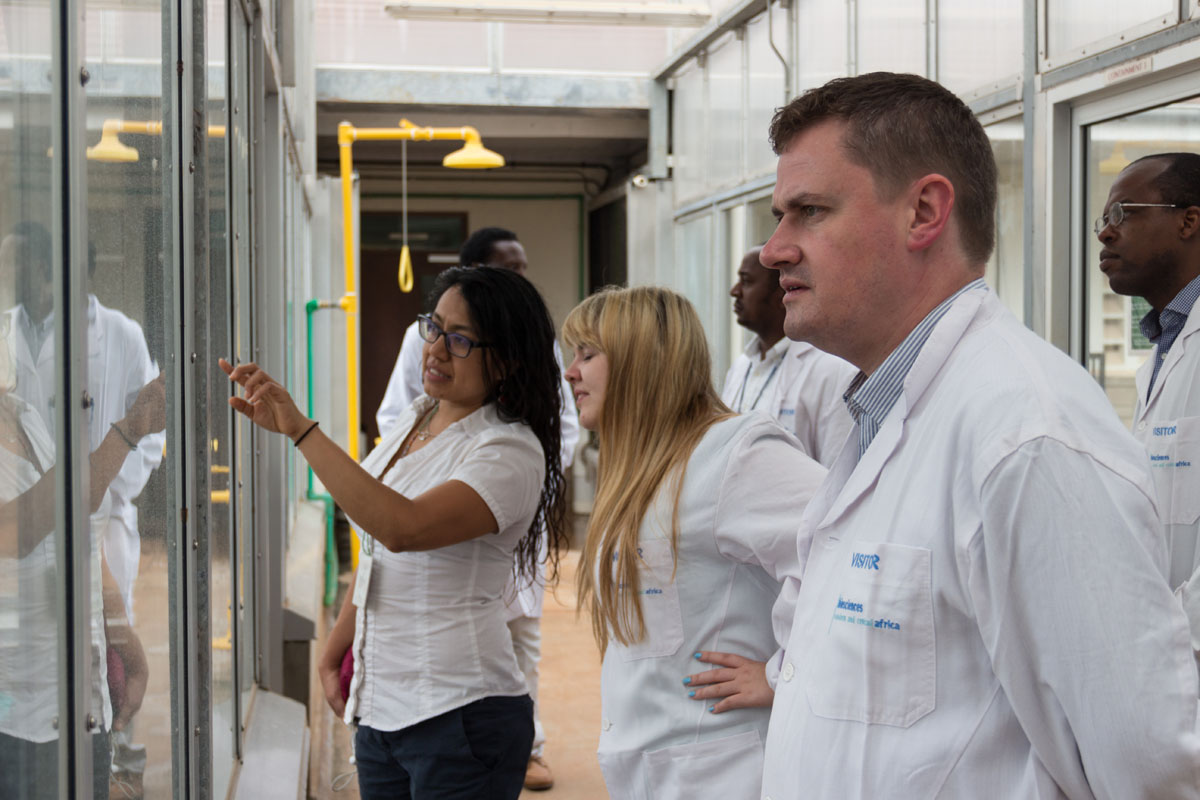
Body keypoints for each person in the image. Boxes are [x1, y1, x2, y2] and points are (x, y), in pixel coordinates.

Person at [757, 72, 1200, 799]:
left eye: (808, 211)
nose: (775, 250)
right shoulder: (886, 408)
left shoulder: (1027, 437)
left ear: (924, 212)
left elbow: (1149, 767)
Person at [222, 266, 568, 800]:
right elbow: (380, 554)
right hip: (383, 710)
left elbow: (401, 526)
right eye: (435, 327)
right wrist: (336, 648)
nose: (436, 350)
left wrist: (300, 430)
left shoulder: (509, 450)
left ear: (508, 360)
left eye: (460, 340)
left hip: (461, 714)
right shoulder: (419, 417)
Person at [562, 286, 826, 800]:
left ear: (641, 361)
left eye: (587, 355)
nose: (571, 371)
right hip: (653, 763)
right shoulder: (641, 468)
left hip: (720, 771)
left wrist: (782, 674)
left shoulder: (733, 454)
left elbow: (843, 547)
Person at [375, 225, 577, 791]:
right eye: (507, 269)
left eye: (522, 269)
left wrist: (493, 486)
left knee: (516, 641)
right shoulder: (426, 359)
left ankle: (529, 747)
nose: (439, 347)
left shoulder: (513, 439)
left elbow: (563, 425)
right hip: (435, 524)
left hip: (500, 511)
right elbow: (395, 419)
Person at [0, 224, 164, 796]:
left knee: (101, 709)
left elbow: (85, 509)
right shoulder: (11, 343)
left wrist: (124, 642)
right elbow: (25, 524)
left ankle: (122, 751)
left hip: (74, 672)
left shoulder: (116, 335)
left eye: (15, 266)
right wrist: (127, 430)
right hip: (20, 700)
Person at [1096, 152, 1200, 663]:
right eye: (1104, 219)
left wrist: (1163, 641)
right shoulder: (1165, 346)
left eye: (1123, 213)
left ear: (1189, 221)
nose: (1105, 234)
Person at [722, 245, 855, 466]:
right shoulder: (741, 367)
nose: (735, 291)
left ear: (780, 293)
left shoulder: (832, 369)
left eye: (746, 281)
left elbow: (836, 473)